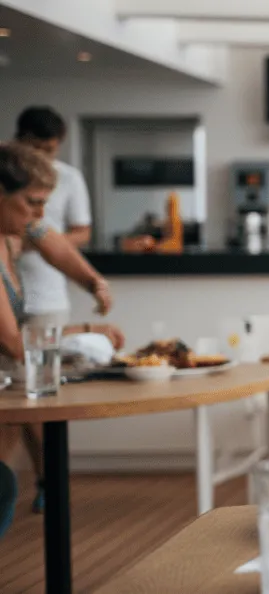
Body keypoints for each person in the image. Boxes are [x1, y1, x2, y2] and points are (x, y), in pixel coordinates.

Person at [0, 142, 124, 517]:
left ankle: (47, 485)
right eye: (33, 202)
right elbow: (15, 346)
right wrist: (87, 331)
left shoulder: (12, 230)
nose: (41, 214)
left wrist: (94, 282)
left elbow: (53, 243)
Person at [13, 106, 93, 329]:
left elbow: (80, 232)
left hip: (46, 296)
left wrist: (41, 245)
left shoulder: (69, 178)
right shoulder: (7, 177)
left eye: (48, 150)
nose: (40, 157)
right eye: (34, 148)